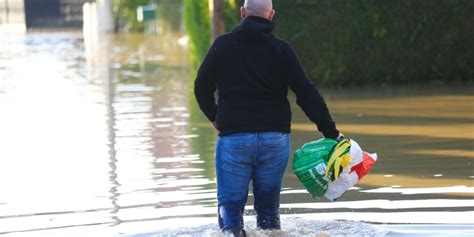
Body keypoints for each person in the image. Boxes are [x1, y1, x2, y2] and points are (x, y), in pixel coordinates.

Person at [194, 0, 340, 236]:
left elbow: (201, 88)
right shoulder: (282, 50)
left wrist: (217, 117)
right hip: (275, 141)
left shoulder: (222, 45)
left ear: (242, 13)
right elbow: (306, 93)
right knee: (269, 214)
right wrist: (331, 133)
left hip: (234, 140)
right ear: (271, 15)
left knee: (230, 209)